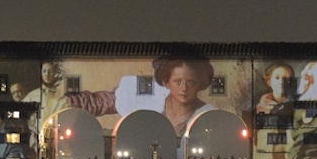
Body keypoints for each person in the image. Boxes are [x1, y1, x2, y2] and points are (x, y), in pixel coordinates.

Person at [64, 56, 216, 136]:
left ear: (200, 84)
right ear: (166, 82)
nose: (184, 89)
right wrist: (65, 104)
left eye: (191, 83)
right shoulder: (150, 95)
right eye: (177, 82)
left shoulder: (206, 115)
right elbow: (100, 102)